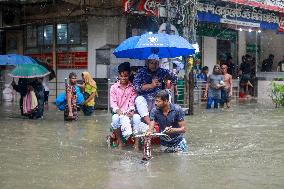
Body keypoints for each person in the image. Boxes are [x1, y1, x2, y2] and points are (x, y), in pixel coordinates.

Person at [133, 54, 177, 125]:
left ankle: (167, 121)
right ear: (148, 63)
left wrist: (170, 89)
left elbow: (174, 77)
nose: (154, 65)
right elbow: (136, 87)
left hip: (158, 97)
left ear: (158, 63)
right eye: (152, 63)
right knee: (139, 99)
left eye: (156, 63)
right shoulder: (141, 72)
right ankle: (150, 123)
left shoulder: (162, 71)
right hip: (145, 98)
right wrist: (150, 85)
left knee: (167, 95)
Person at [110, 62, 143, 148]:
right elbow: (113, 103)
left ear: (129, 75)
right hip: (118, 113)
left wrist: (131, 111)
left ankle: (136, 144)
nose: (123, 78)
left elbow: (132, 102)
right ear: (119, 75)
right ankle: (121, 142)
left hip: (129, 114)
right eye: (121, 76)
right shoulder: (113, 88)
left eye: (126, 76)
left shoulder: (132, 87)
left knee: (137, 118)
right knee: (114, 118)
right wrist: (118, 111)